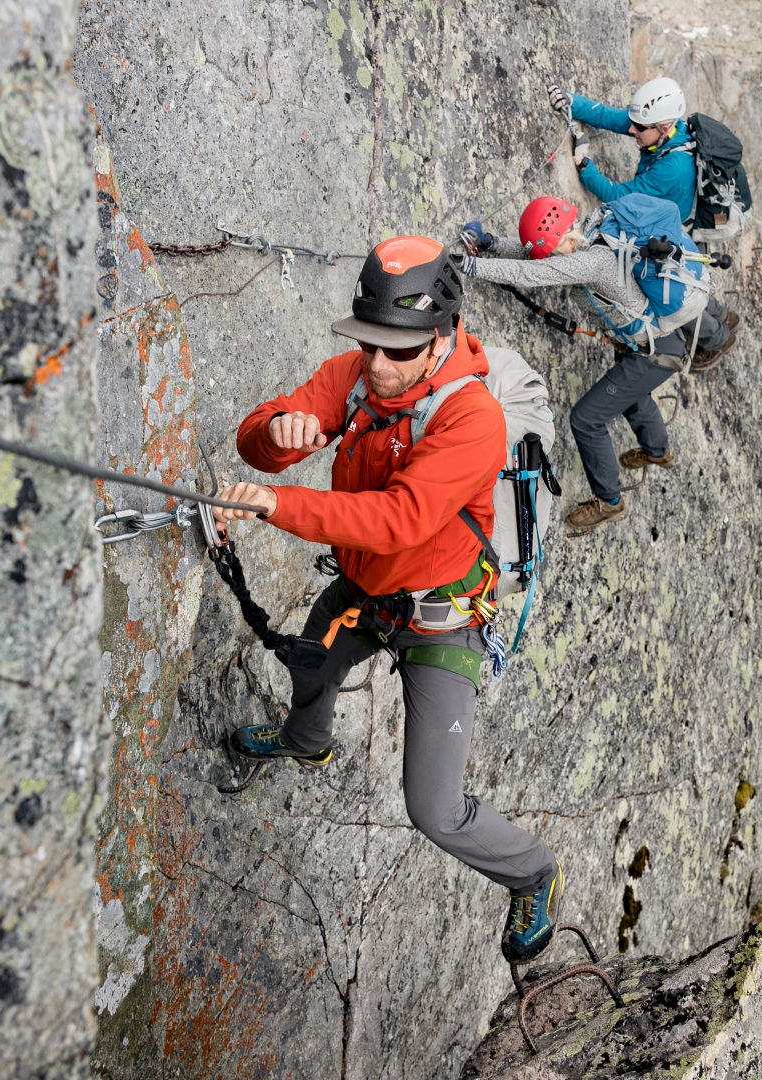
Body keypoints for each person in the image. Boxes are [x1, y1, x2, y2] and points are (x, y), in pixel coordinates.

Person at [209, 236, 566, 964]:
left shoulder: (474, 420)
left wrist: (280, 501)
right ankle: (306, 742)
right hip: (369, 589)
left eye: (397, 351)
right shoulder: (357, 377)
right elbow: (256, 438)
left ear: (441, 339)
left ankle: (533, 871)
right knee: (311, 664)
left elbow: (399, 519)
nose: (377, 365)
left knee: (433, 810)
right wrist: (278, 437)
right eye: (368, 343)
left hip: (442, 619)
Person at [462, 196, 740, 532]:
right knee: (634, 399)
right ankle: (658, 451)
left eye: (553, 248)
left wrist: (472, 266)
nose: (550, 255)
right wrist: (491, 243)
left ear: (565, 239)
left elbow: (533, 272)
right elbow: (538, 258)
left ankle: (609, 503)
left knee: (586, 418)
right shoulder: (591, 238)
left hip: (653, 352)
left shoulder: (594, 261)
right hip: (653, 345)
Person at [549, 77, 696, 224]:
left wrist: (584, 164)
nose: (632, 129)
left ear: (664, 129)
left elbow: (620, 197)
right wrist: (571, 102)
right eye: (633, 123)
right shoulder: (659, 124)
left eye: (639, 127)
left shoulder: (673, 169)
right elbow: (607, 115)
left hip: (664, 230)